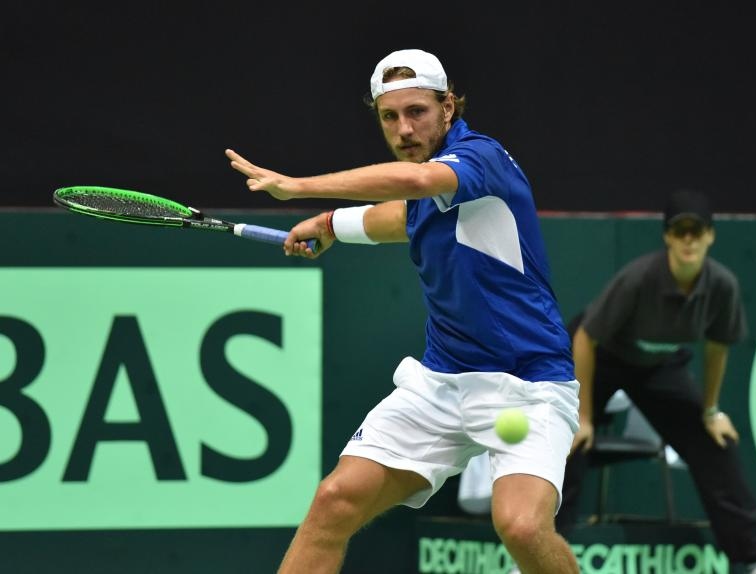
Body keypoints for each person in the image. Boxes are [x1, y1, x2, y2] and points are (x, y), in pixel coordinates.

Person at [226, 49, 580, 574]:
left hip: (527, 385)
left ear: (448, 107)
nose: (404, 128)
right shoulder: (430, 184)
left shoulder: (481, 159)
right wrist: (329, 224)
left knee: (523, 526)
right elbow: (405, 216)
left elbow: (414, 185)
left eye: (417, 111)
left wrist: (297, 189)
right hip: (441, 384)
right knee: (335, 501)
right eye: (390, 116)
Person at [557, 189, 756, 574]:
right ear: (666, 236)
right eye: (679, 231)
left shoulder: (721, 287)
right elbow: (585, 337)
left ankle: (754, 561)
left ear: (710, 236)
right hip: (602, 357)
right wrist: (582, 417)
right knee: (567, 439)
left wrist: (711, 411)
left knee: (715, 441)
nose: (687, 240)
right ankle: (536, 559)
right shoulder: (638, 279)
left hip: (659, 365)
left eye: (695, 232)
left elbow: (717, 347)